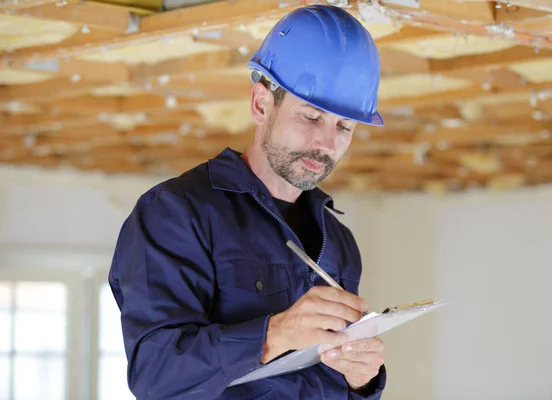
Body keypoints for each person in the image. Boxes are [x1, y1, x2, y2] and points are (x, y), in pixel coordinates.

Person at [108, 4, 386, 399]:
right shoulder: (176, 213)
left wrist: (362, 379)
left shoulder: (339, 242)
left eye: (344, 126)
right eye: (310, 117)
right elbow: (155, 374)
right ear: (261, 104)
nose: (326, 143)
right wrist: (277, 333)